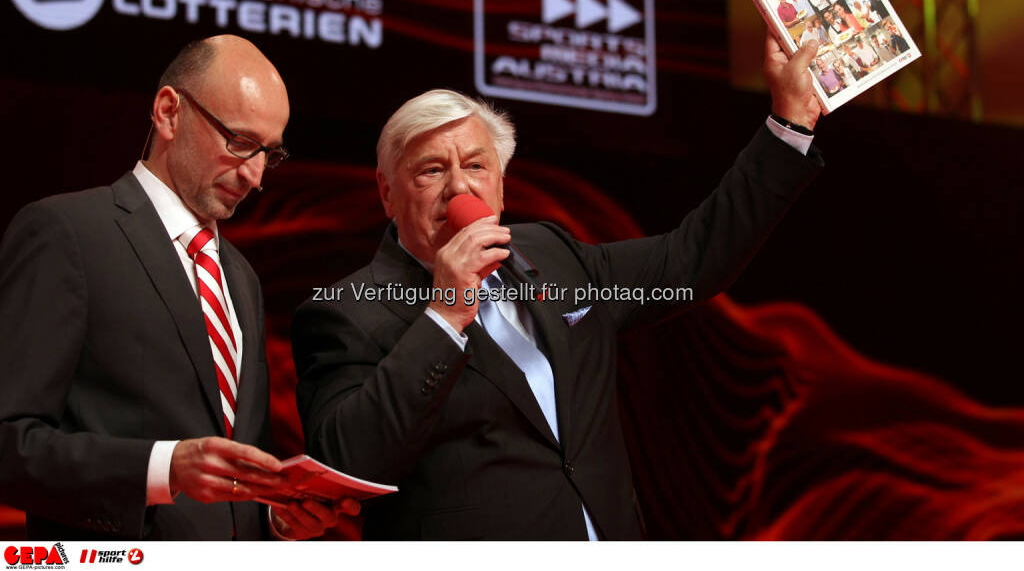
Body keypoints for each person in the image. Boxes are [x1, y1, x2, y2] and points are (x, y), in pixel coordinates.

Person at [291, 34, 825, 540]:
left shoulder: (549, 252)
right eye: (431, 171)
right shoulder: (347, 312)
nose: (460, 187)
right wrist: (445, 313)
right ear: (387, 193)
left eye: (477, 165)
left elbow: (690, 260)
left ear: (500, 181)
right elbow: (345, 460)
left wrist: (790, 124)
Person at [0, 35, 357, 540]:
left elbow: (239, 469)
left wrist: (277, 514)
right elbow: (10, 442)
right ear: (169, 112)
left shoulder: (241, 276)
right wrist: (162, 467)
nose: (256, 177)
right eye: (239, 142)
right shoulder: (67, 233)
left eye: (268, 154)